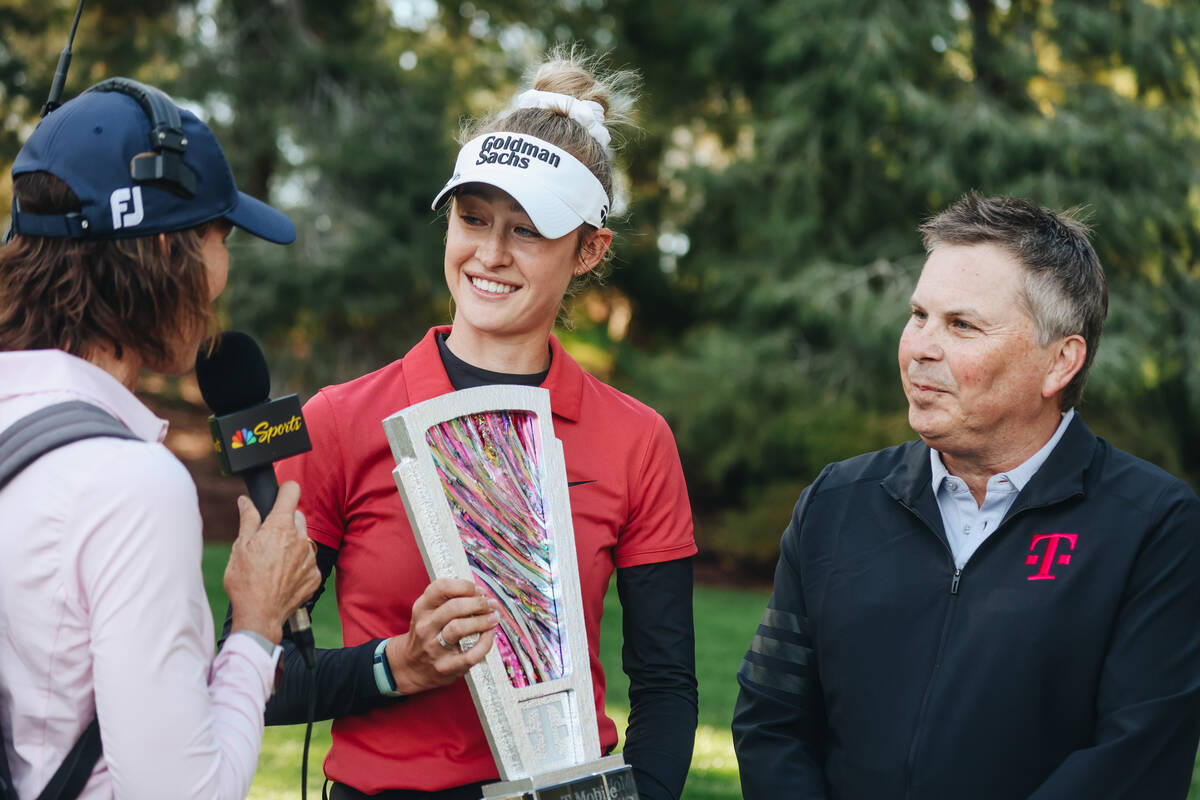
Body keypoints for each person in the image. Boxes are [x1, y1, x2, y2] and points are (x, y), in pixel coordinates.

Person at [265, 48, 698, 799]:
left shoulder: (637, 438)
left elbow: (664, 686)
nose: (488, 254)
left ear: (589, 250)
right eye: (472, 219)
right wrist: (396, 663)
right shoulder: (337, 421)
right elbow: (252, 675)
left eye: (527, 231)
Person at [731, 193, 1200, 799]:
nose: (920, 347)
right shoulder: (835, 503)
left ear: (1060, 363)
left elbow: (1135, 758)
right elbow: (770, 719)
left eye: (961, 325)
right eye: (918, 315)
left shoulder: (1155, 527)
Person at [0, 81, 320, 798]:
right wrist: (258, 625)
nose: (223, 275)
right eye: (221, 238)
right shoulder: (130, 487)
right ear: (172, 250)